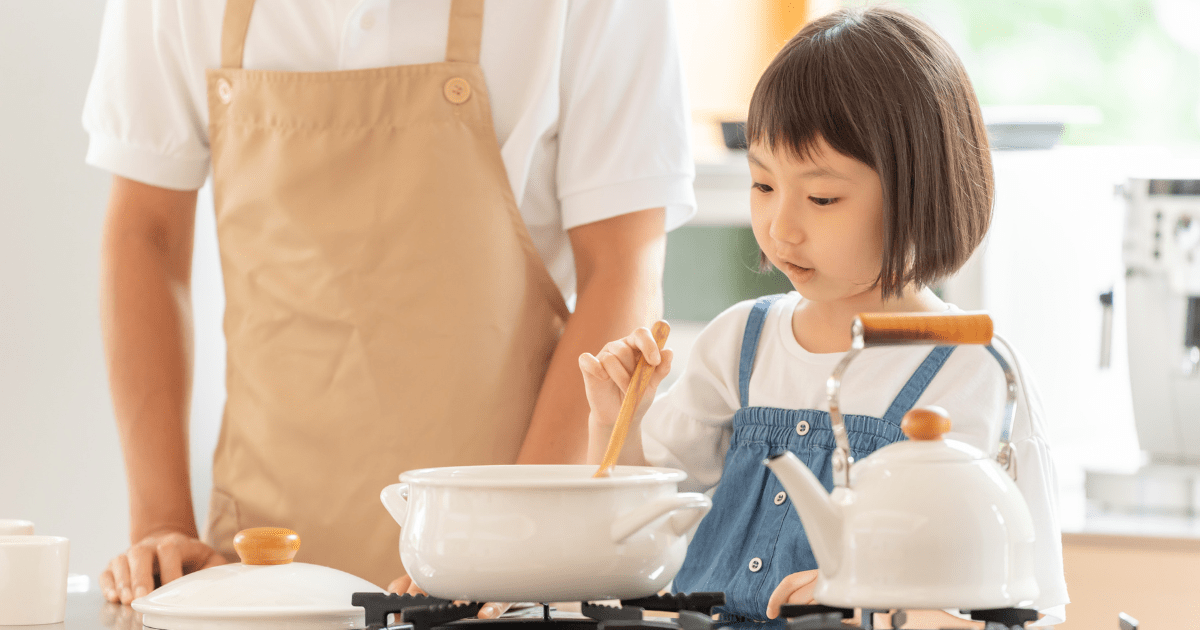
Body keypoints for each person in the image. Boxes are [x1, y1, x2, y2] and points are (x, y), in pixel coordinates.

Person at [83, 0, 695, 607]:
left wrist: (508, 551)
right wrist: (163, 528)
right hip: (257, 572)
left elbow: (622, 267)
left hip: (511, 577)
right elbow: (147, 238)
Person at [580, 6, 1070, 627]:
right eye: (762, 186)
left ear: (919, 192)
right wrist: (615, 421)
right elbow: (636, 535)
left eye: (821, 198)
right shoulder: (740, 343)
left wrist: (881, 600)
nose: (781, 227)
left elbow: (1030, 607)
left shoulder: (976, 371)